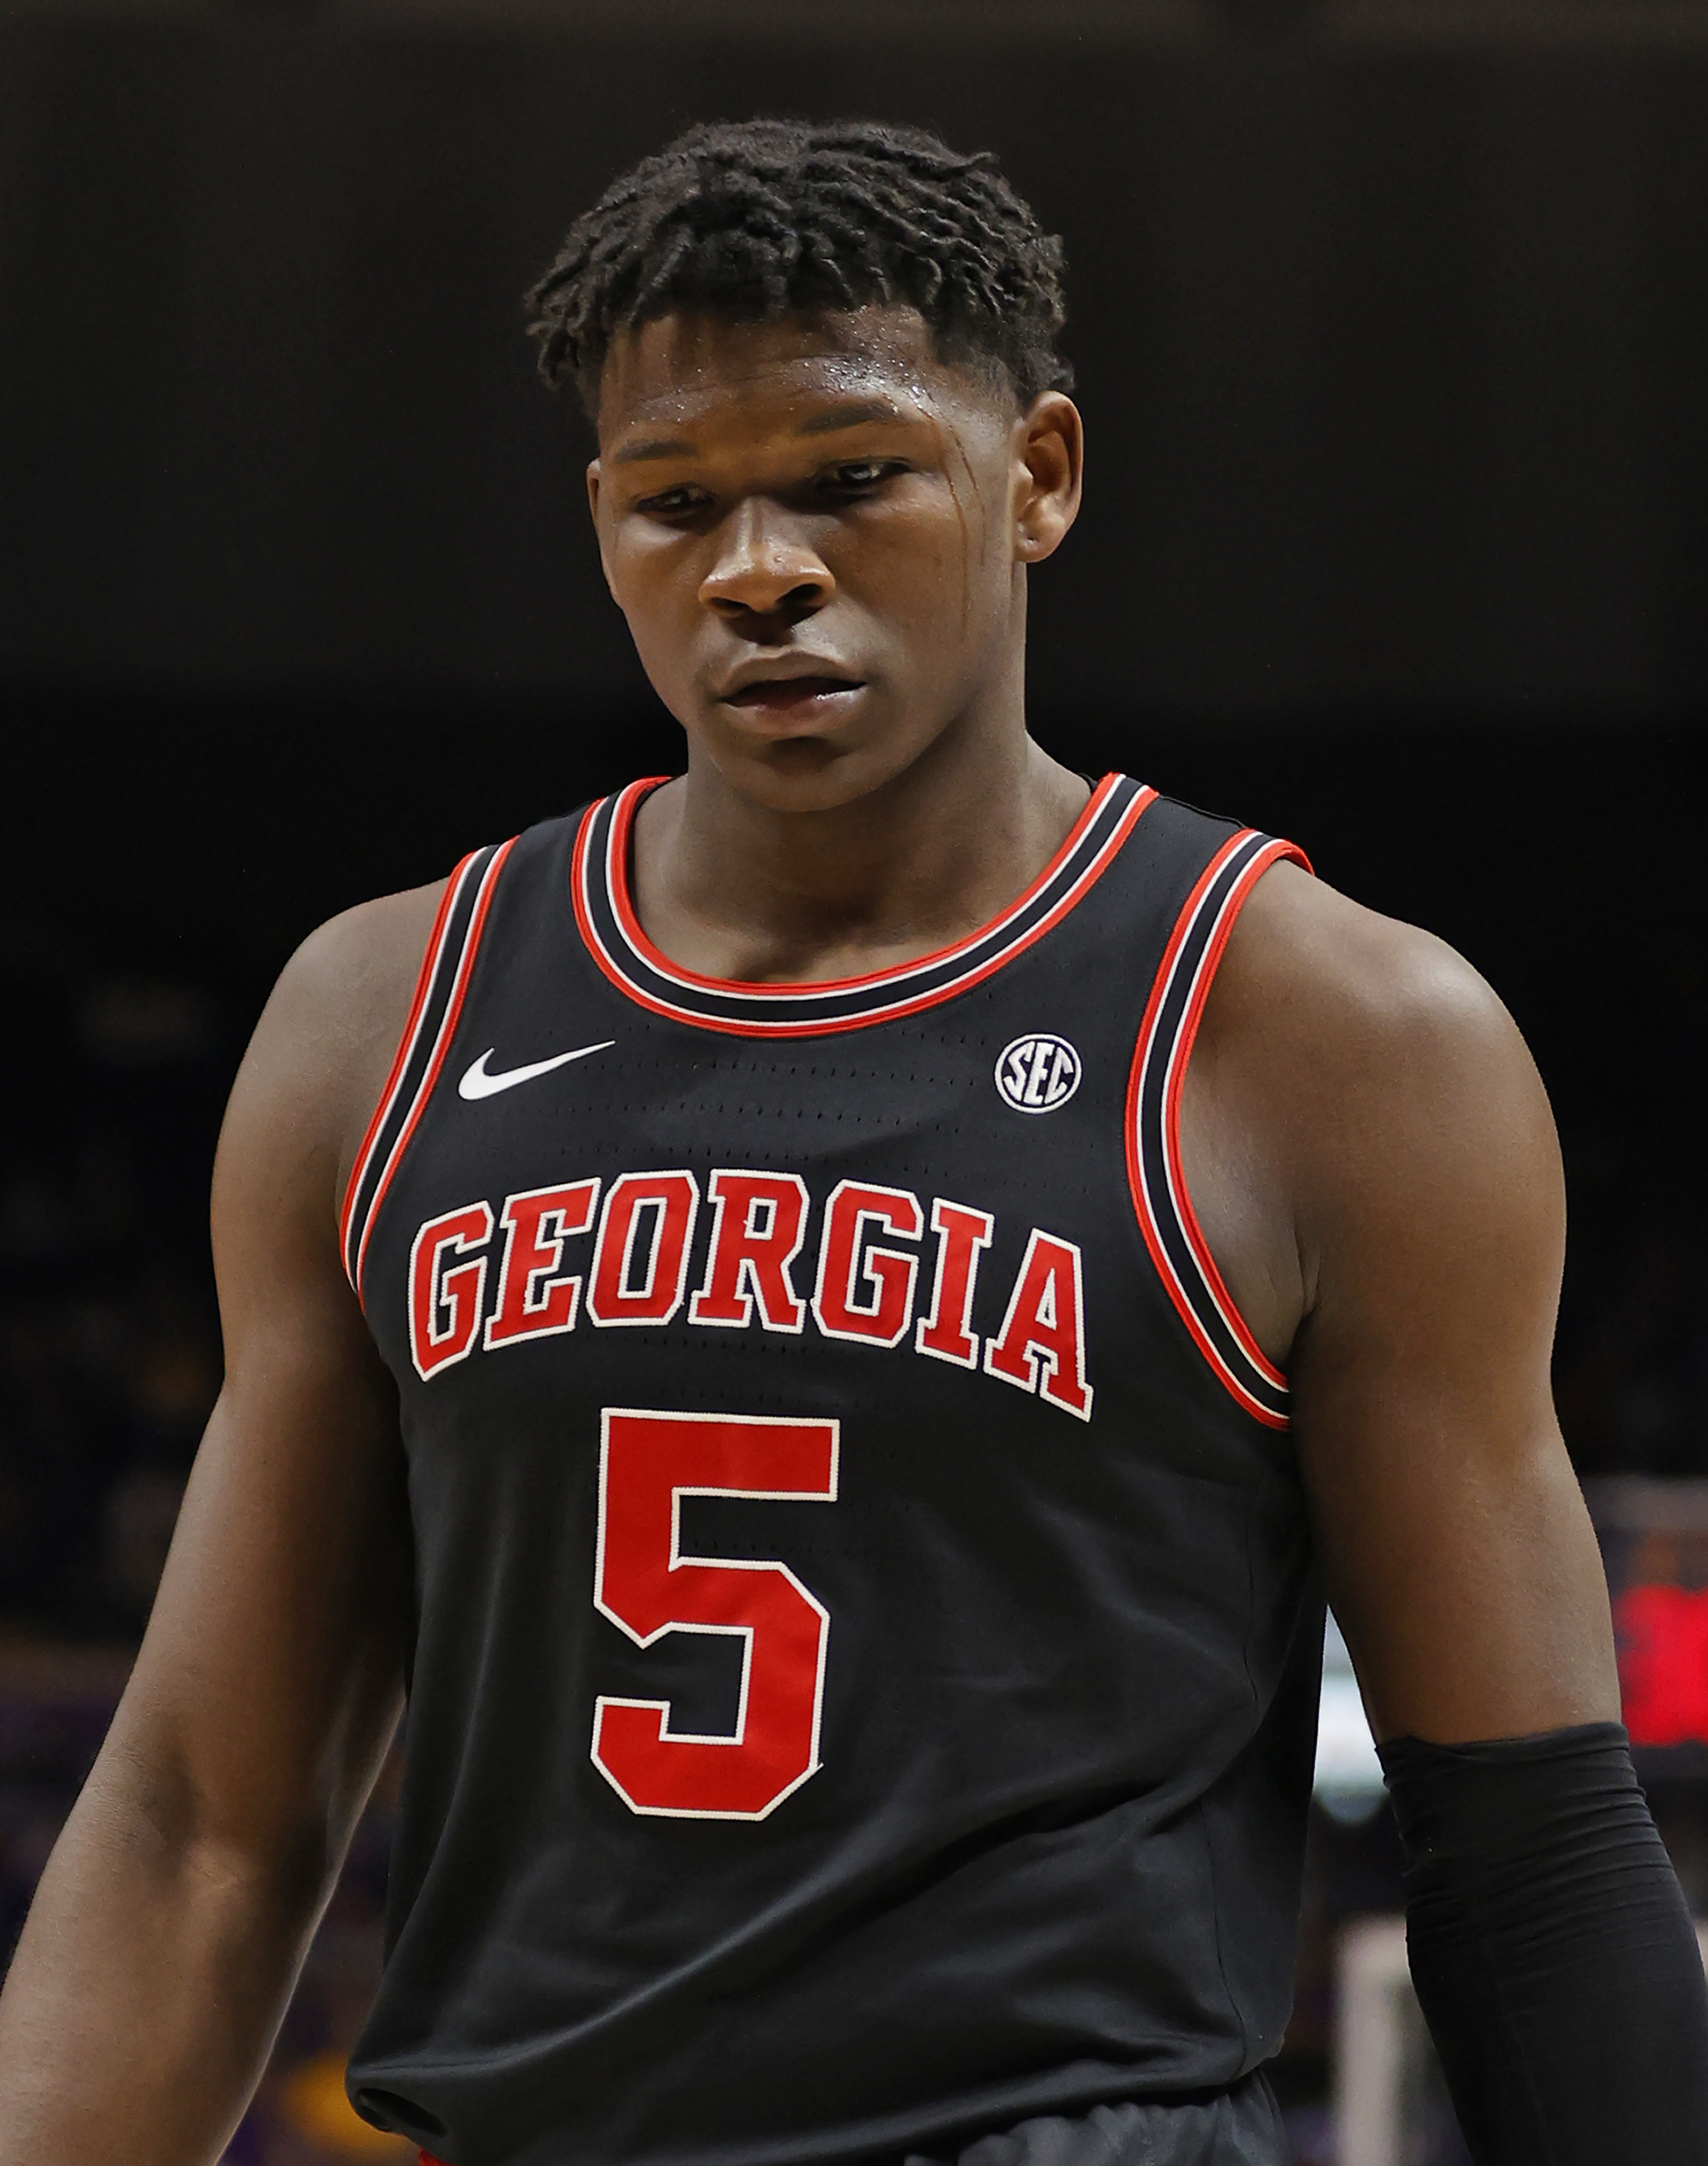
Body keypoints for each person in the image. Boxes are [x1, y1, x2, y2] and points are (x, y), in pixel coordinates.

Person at [0, 117, 1704, 2166]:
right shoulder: (385, 1016)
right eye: (674, 502)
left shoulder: (1327, 1033)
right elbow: (204, 1819)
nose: (758, 567)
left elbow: (1527, 1844)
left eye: (847, 479)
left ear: (1040, 478)